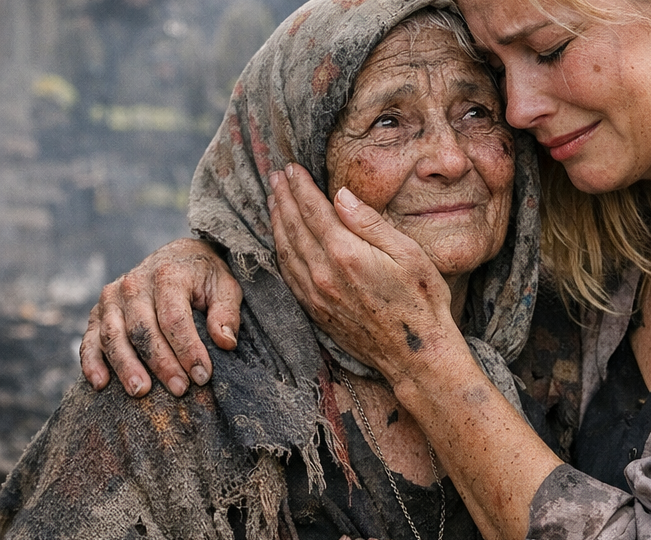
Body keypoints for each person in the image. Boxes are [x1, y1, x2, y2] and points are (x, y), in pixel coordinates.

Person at [79, 0, 651, 537]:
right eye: (501, 67)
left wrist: (424, 358)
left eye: (552, 48)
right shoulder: (598, 203)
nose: (521, 106)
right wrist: (214, 253)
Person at [0, 0, 548, 538]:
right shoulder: (182, 386)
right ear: (295, 162)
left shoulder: (552, 340)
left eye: (475, 112)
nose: (450, 161)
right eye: (388, 121)